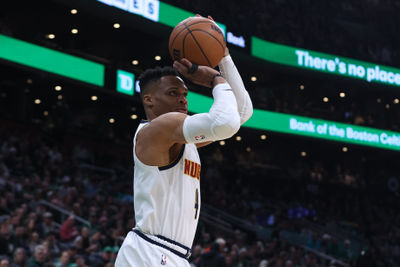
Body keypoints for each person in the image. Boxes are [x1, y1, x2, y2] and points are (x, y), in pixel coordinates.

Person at [115, 16, 253, 267]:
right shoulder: (158, 130)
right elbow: (226, 123)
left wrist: (223, 55)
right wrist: (215, 80)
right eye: (172, 94)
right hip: (150, 251)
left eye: (184, 94)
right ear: (148, 100)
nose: (183, 100)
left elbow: (241, 113)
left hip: (170, 254)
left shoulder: (180, 138)